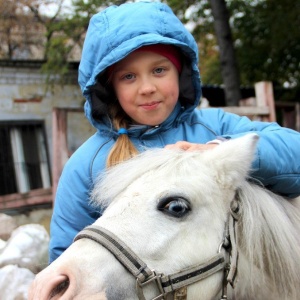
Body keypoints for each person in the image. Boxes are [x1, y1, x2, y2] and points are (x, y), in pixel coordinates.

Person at [49, 1, 300, 263]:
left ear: (180, 73)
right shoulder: (86, 165)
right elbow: (66, 257)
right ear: (109, 87)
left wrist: (219, 151)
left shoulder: (214, 127)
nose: (147, 88)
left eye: (159, 70)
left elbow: (294, 153)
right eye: (128, 77)